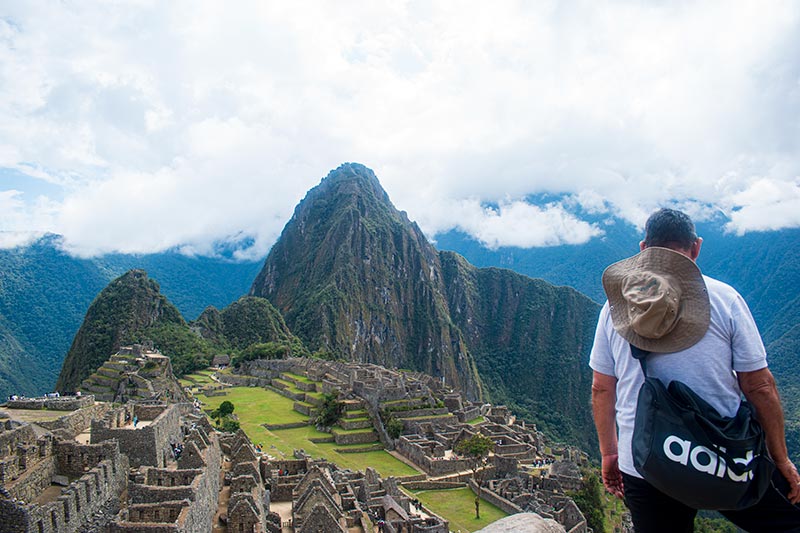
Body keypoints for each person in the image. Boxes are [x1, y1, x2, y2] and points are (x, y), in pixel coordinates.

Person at [590, 208, 800, 532]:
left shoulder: (615, 307)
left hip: (646, 461)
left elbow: (602, 388)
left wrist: (609, 454)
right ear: (696, 247)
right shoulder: (724, 299)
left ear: (644, 248)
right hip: (724, 456)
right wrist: (780, 458)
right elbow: (760, 386)